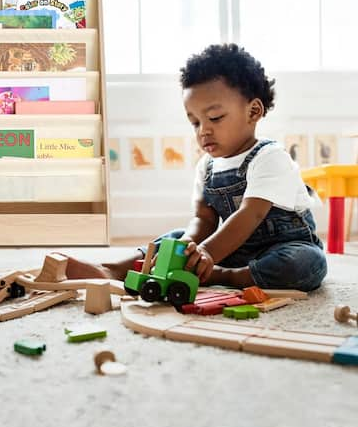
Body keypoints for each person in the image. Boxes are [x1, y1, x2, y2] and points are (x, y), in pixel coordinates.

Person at [67, 43, 327, 291]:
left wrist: (207, 253)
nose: (204, 130)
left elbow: (251, 215)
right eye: (194, 122)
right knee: (174, 238)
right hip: (229, 250)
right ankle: (114, 269)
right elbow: (204, 220)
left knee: (303, 262)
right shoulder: (207, 166)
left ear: (253, 111)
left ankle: (224, 276)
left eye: (215, 118)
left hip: (281, 247)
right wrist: (186, 246)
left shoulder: (270, 157)